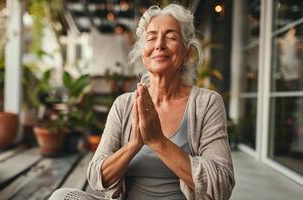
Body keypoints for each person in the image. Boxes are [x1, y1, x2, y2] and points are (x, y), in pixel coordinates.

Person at [49, 3, 235, 200]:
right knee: (62, 196)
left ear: (186, 52)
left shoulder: (206, 103)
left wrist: (158, 142)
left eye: (171, 37)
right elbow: (96, 177)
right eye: (151, 37)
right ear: (143, 52)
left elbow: (221, 185)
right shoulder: (124, 105)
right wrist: (133, 144)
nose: (159, 44)